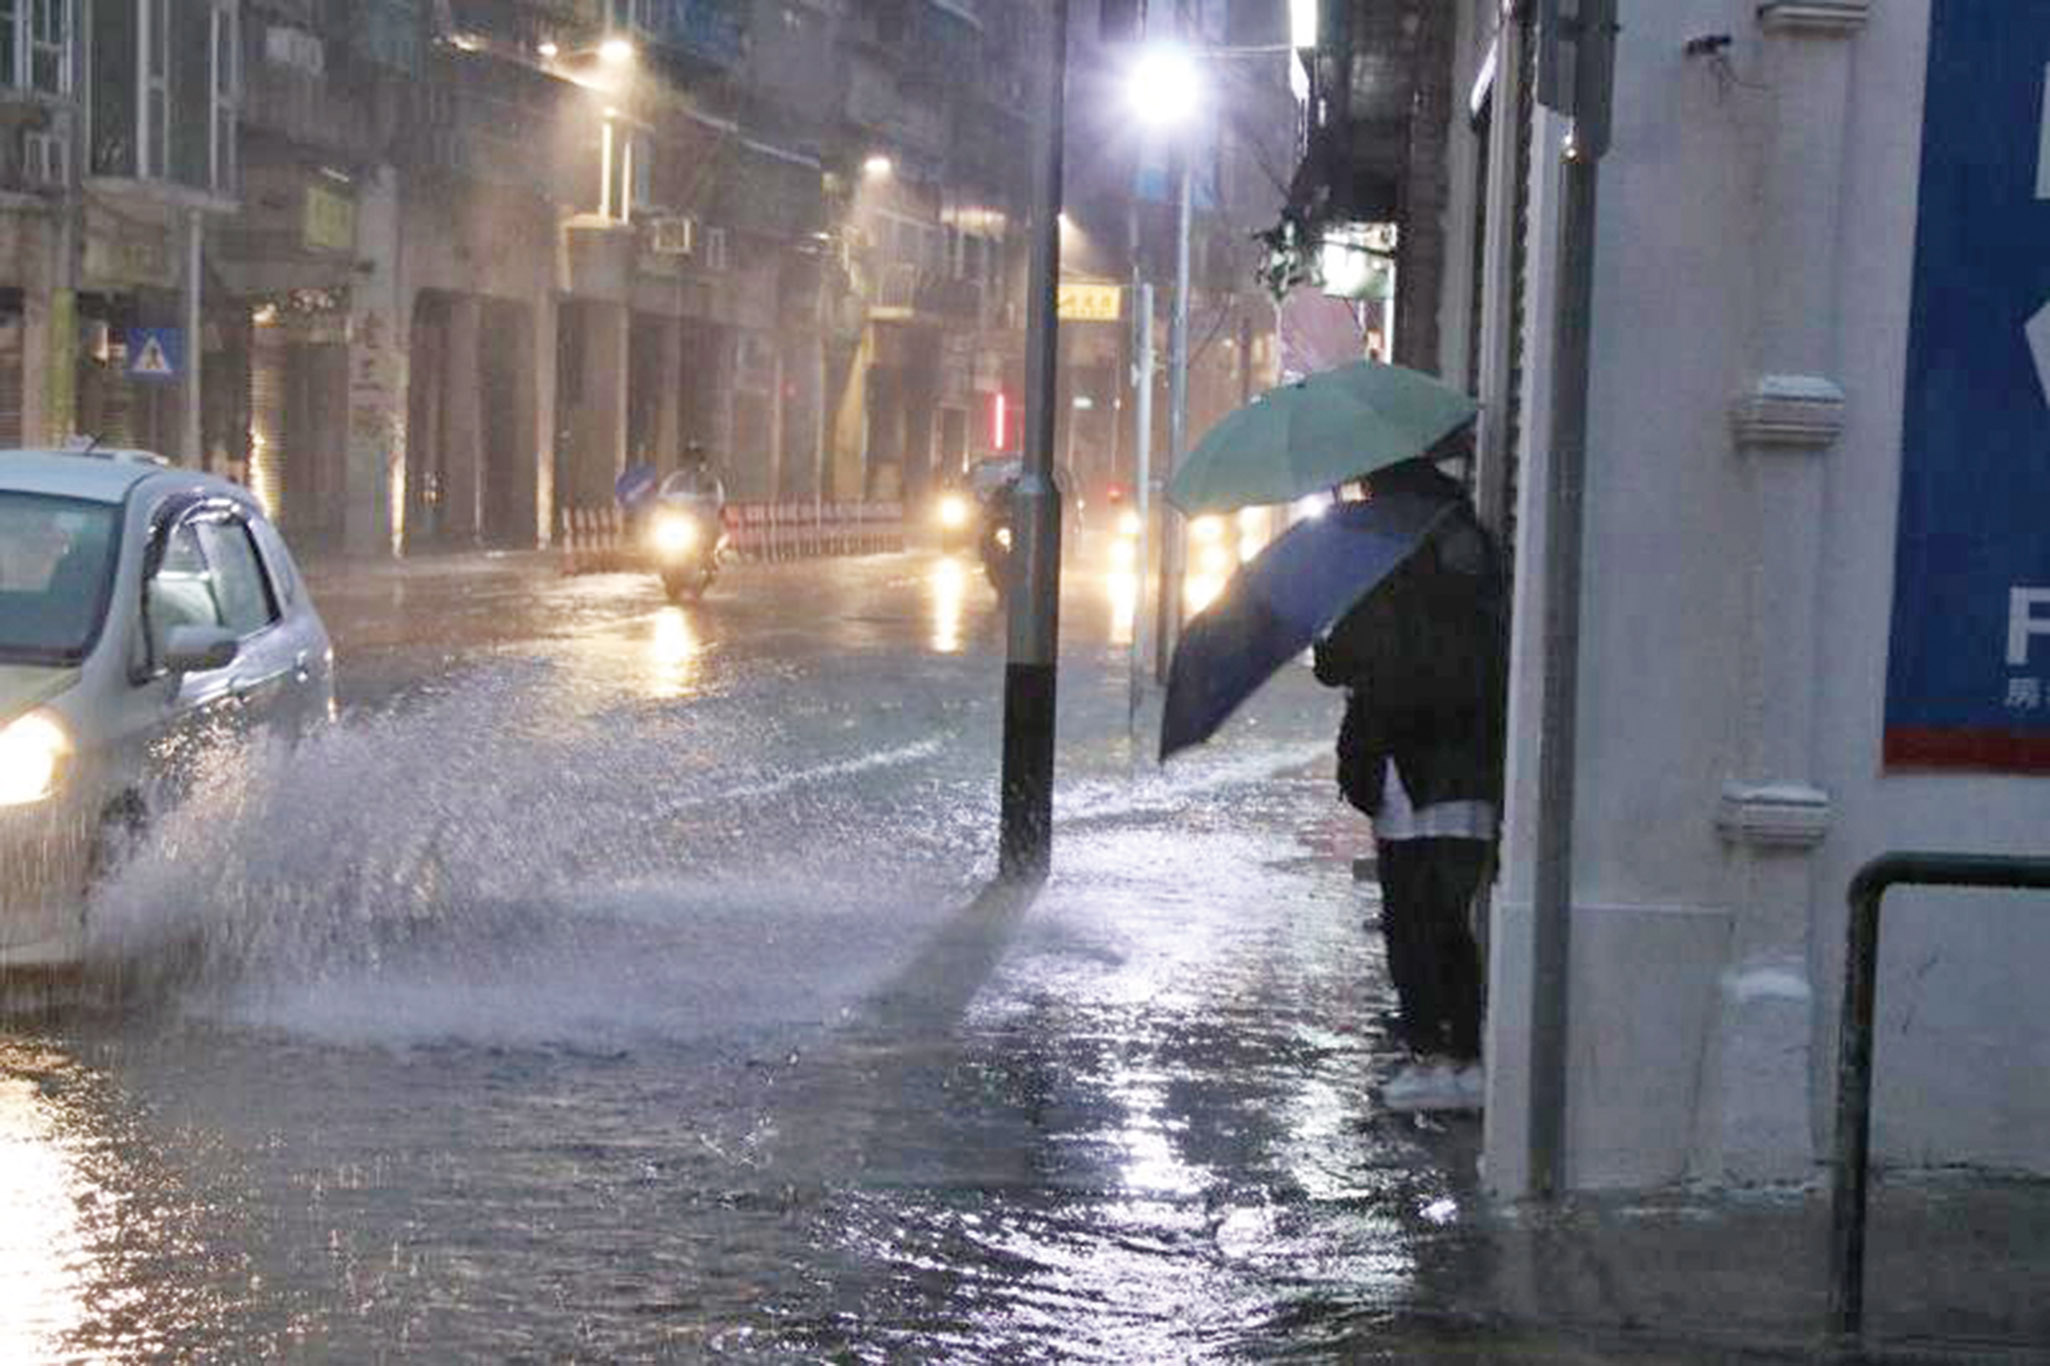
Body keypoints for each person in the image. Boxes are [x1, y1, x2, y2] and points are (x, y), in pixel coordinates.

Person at [1312, 456, 1506, 1114]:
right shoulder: (1474, 551)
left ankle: (1430, 1054)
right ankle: (1468, 1058)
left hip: (1411, 776)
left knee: (1412, 920)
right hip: (1472, 770)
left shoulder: (1388, 565)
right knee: (1452, 922)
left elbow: (1336, 662)